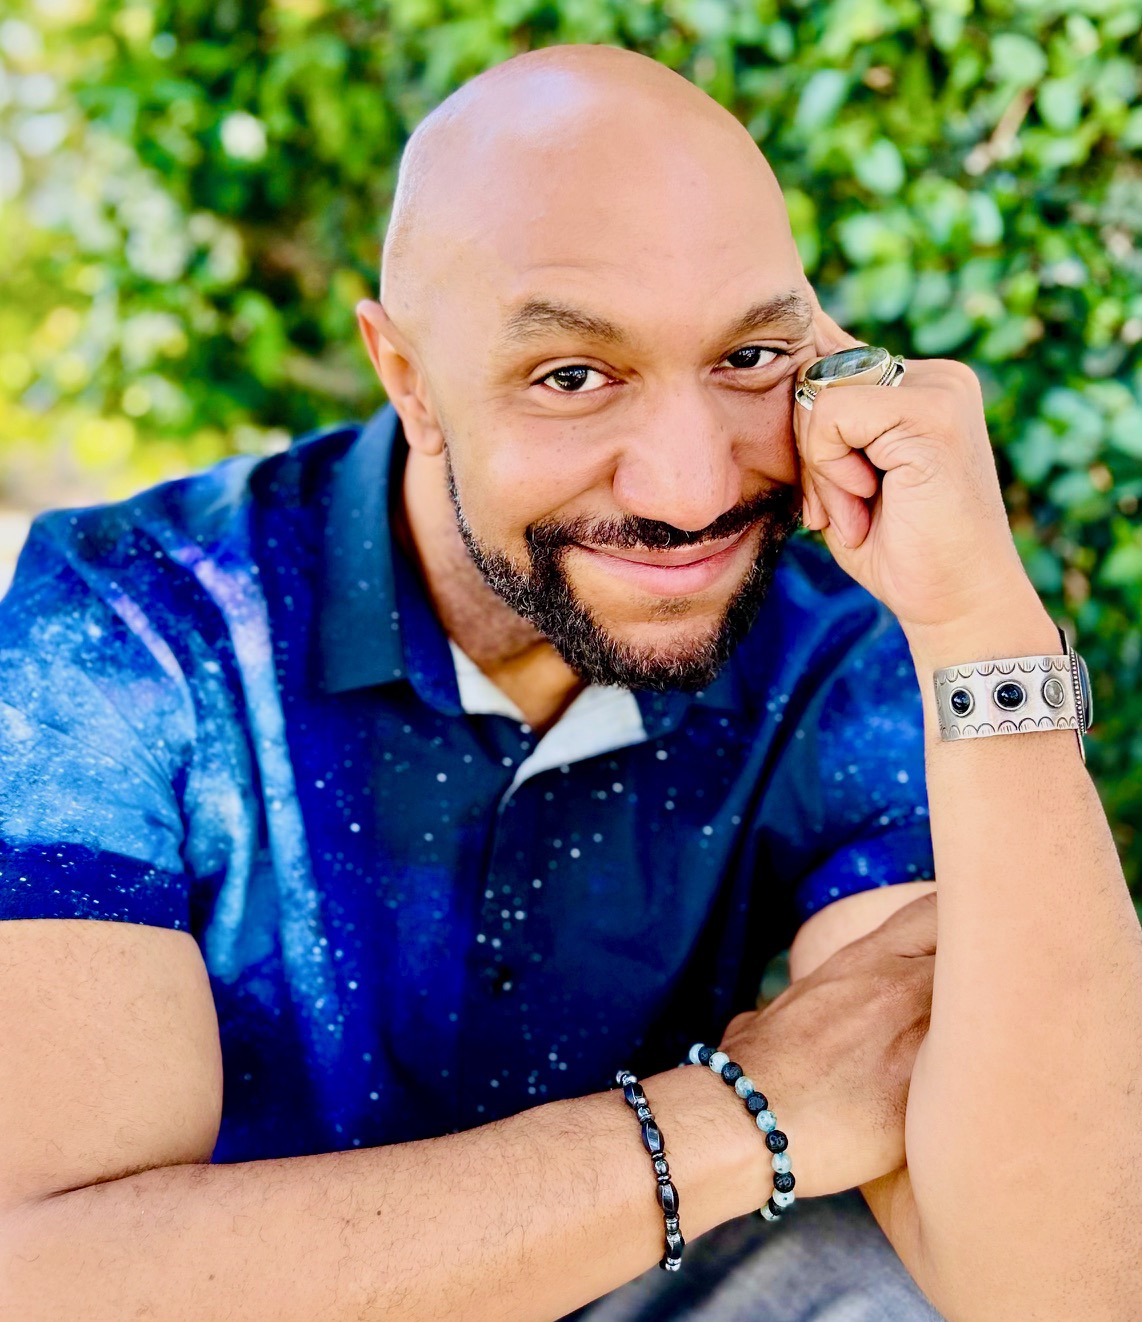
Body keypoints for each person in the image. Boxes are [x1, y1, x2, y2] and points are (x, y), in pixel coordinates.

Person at [0, 41, 1139, 1322]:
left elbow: (1059, 1290)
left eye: (747, 356)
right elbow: (45, 1275)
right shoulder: (137, 617)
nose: (690, 490)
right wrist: (738, 1120)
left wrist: (978, 615)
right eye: (571, 376)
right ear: (408, 379)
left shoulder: (834, 650)